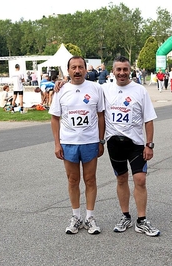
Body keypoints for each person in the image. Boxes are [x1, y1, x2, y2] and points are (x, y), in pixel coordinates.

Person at [103, 56, 160, 236]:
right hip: (114, 143)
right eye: (118, 69)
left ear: (130, 71)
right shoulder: (103, 89)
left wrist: (149, 145)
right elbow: (78, 86)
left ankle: (141, 220)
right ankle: (125, 216)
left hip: (135, 143)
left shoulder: (140, 90)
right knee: (121, 179)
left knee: (140, 180)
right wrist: (60, 85)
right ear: (113, 71)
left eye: (125, 69)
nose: (122, 73)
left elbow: (148, 119)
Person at [49, 56, 105, 235]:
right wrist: (57, 143)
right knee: (73, 180)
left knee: (90, 180)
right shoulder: (61, 90)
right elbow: (54, 118)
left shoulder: (96, 88)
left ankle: (90, 217)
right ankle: (76, 216)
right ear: (68, 70)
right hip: (69, 142)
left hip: (90, 141)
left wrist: (101, 140)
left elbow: (101, 116)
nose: (77, 70)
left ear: (86, 69)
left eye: (81, 67)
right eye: (74, 67)